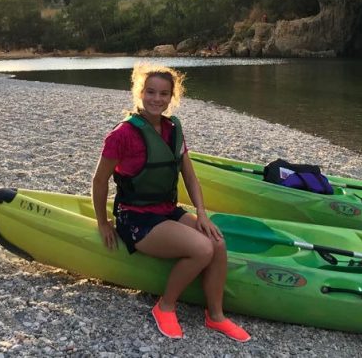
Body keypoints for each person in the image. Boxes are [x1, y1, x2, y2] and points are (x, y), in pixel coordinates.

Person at [91, 63, 250, 342]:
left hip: (166, 210)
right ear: (140, 92)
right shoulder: (122, 134)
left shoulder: (173, 128)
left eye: (164, 94)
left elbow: (189, 174)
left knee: (218, 242)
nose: (157, 99)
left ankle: (216, 316)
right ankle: (165, 306)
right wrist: (103, 222)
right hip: (135, 217)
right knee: (202, 249)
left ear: (172, 97)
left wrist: (201, 213)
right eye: (151, 92)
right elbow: (99, 180)